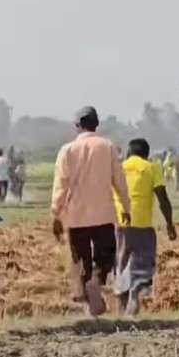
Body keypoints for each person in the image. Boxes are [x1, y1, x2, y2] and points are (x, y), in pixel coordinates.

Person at [51, 106, 131, 317]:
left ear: (78, 126)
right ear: (97, 125)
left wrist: (56, 214)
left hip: (76, 217)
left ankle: (90, 301)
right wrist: (126, 207)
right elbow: (120, 181)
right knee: (105, 259)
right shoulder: (108, 147)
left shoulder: (67, 151)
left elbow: (60, 185)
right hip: (104, 215)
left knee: (81, 260)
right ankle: (95, 287)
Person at [114, 138, 176, 315]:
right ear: (146, 154)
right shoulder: (151, 167)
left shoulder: (119, 168)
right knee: (142, 269)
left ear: (129, 152)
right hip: (142, 226)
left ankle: (120, 316)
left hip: (120, 225)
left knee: (121, 266)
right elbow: (163, 199)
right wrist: (170, 224)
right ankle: (135, 292)